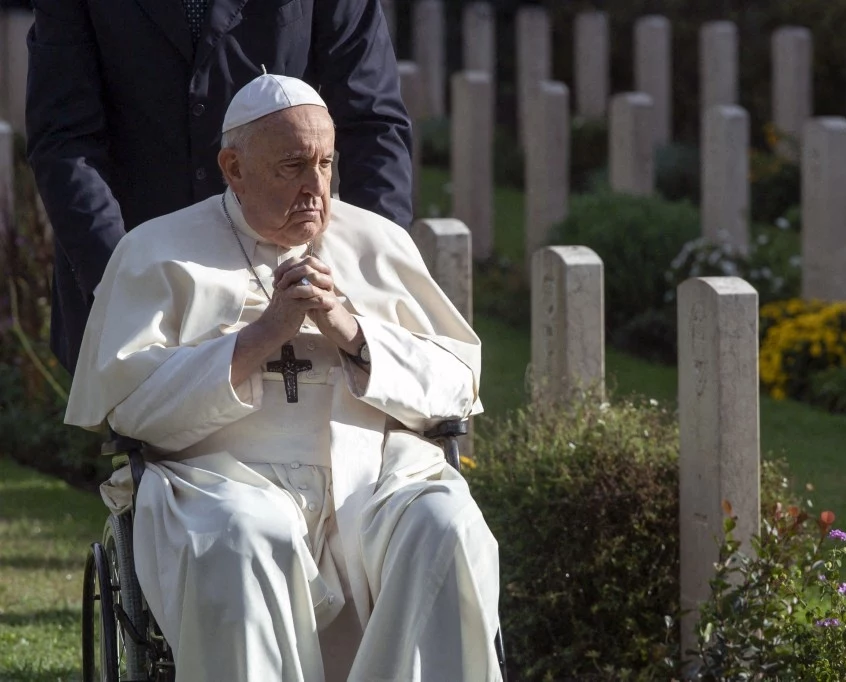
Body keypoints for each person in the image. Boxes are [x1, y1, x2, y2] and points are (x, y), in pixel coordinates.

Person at [64, 74, 500, 682]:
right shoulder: (156, 251)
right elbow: (131, 410)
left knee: (446, 525)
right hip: (219, 482)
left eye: (325, 163)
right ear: (233, 168)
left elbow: (456, 385)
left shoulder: (379, 242)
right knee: (245, 536)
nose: (315, 187)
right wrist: (261, 337)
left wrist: (353, 332)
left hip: (373, 481)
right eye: (292, 166)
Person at [25, 0, 412, 376]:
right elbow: (67, 140)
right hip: (136, 281)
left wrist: (368, 274)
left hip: (293, 272)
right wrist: (123, 282)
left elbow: (372, 125)